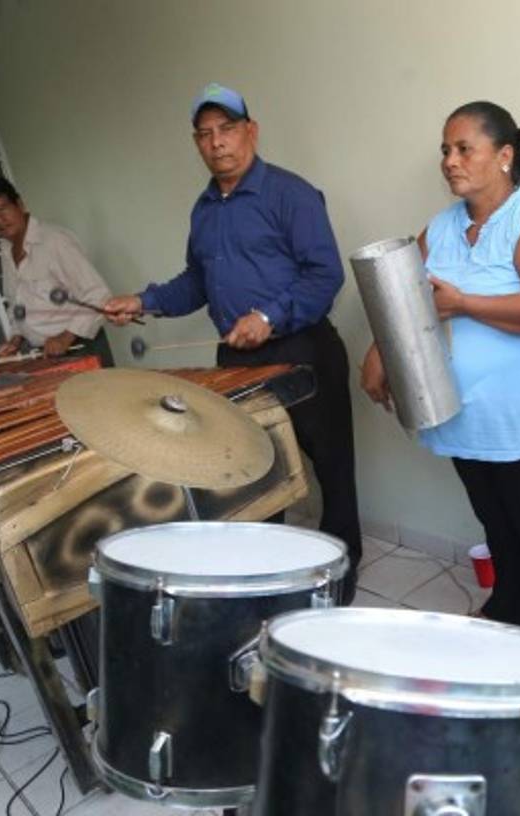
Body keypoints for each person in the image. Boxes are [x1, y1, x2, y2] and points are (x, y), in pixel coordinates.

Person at [103, 83, 362, 603]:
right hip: (237, 361)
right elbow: (196, 282)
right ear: (196, 143)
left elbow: (324, 274)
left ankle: (340, 575)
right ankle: (271, 579)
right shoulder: (204, 210)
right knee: (255, 472)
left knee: (331, 467)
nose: (217, 142)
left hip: (301, 350)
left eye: (227, 129)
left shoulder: (290, 193)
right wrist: (144, 300)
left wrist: (268, 315)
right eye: (205, 134)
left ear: (251, 131)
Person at [359, 101, 520, 626]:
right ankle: (511, 610)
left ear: (504, 155)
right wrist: (377, 354)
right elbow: (400, 296)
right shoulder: (440, 227)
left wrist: (464, 303)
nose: (450, 160)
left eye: (465, 148)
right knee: (497, 521)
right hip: (464, 414)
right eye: (445, 149)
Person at [0, 176, 113, 362]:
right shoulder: (6, 250)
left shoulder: (54, 240)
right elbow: (17, 303)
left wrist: (65, 338)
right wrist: (16, 338)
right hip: (43, 354)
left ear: (19, 204)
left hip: (79, 348)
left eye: (2, 209)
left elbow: (99, 296)